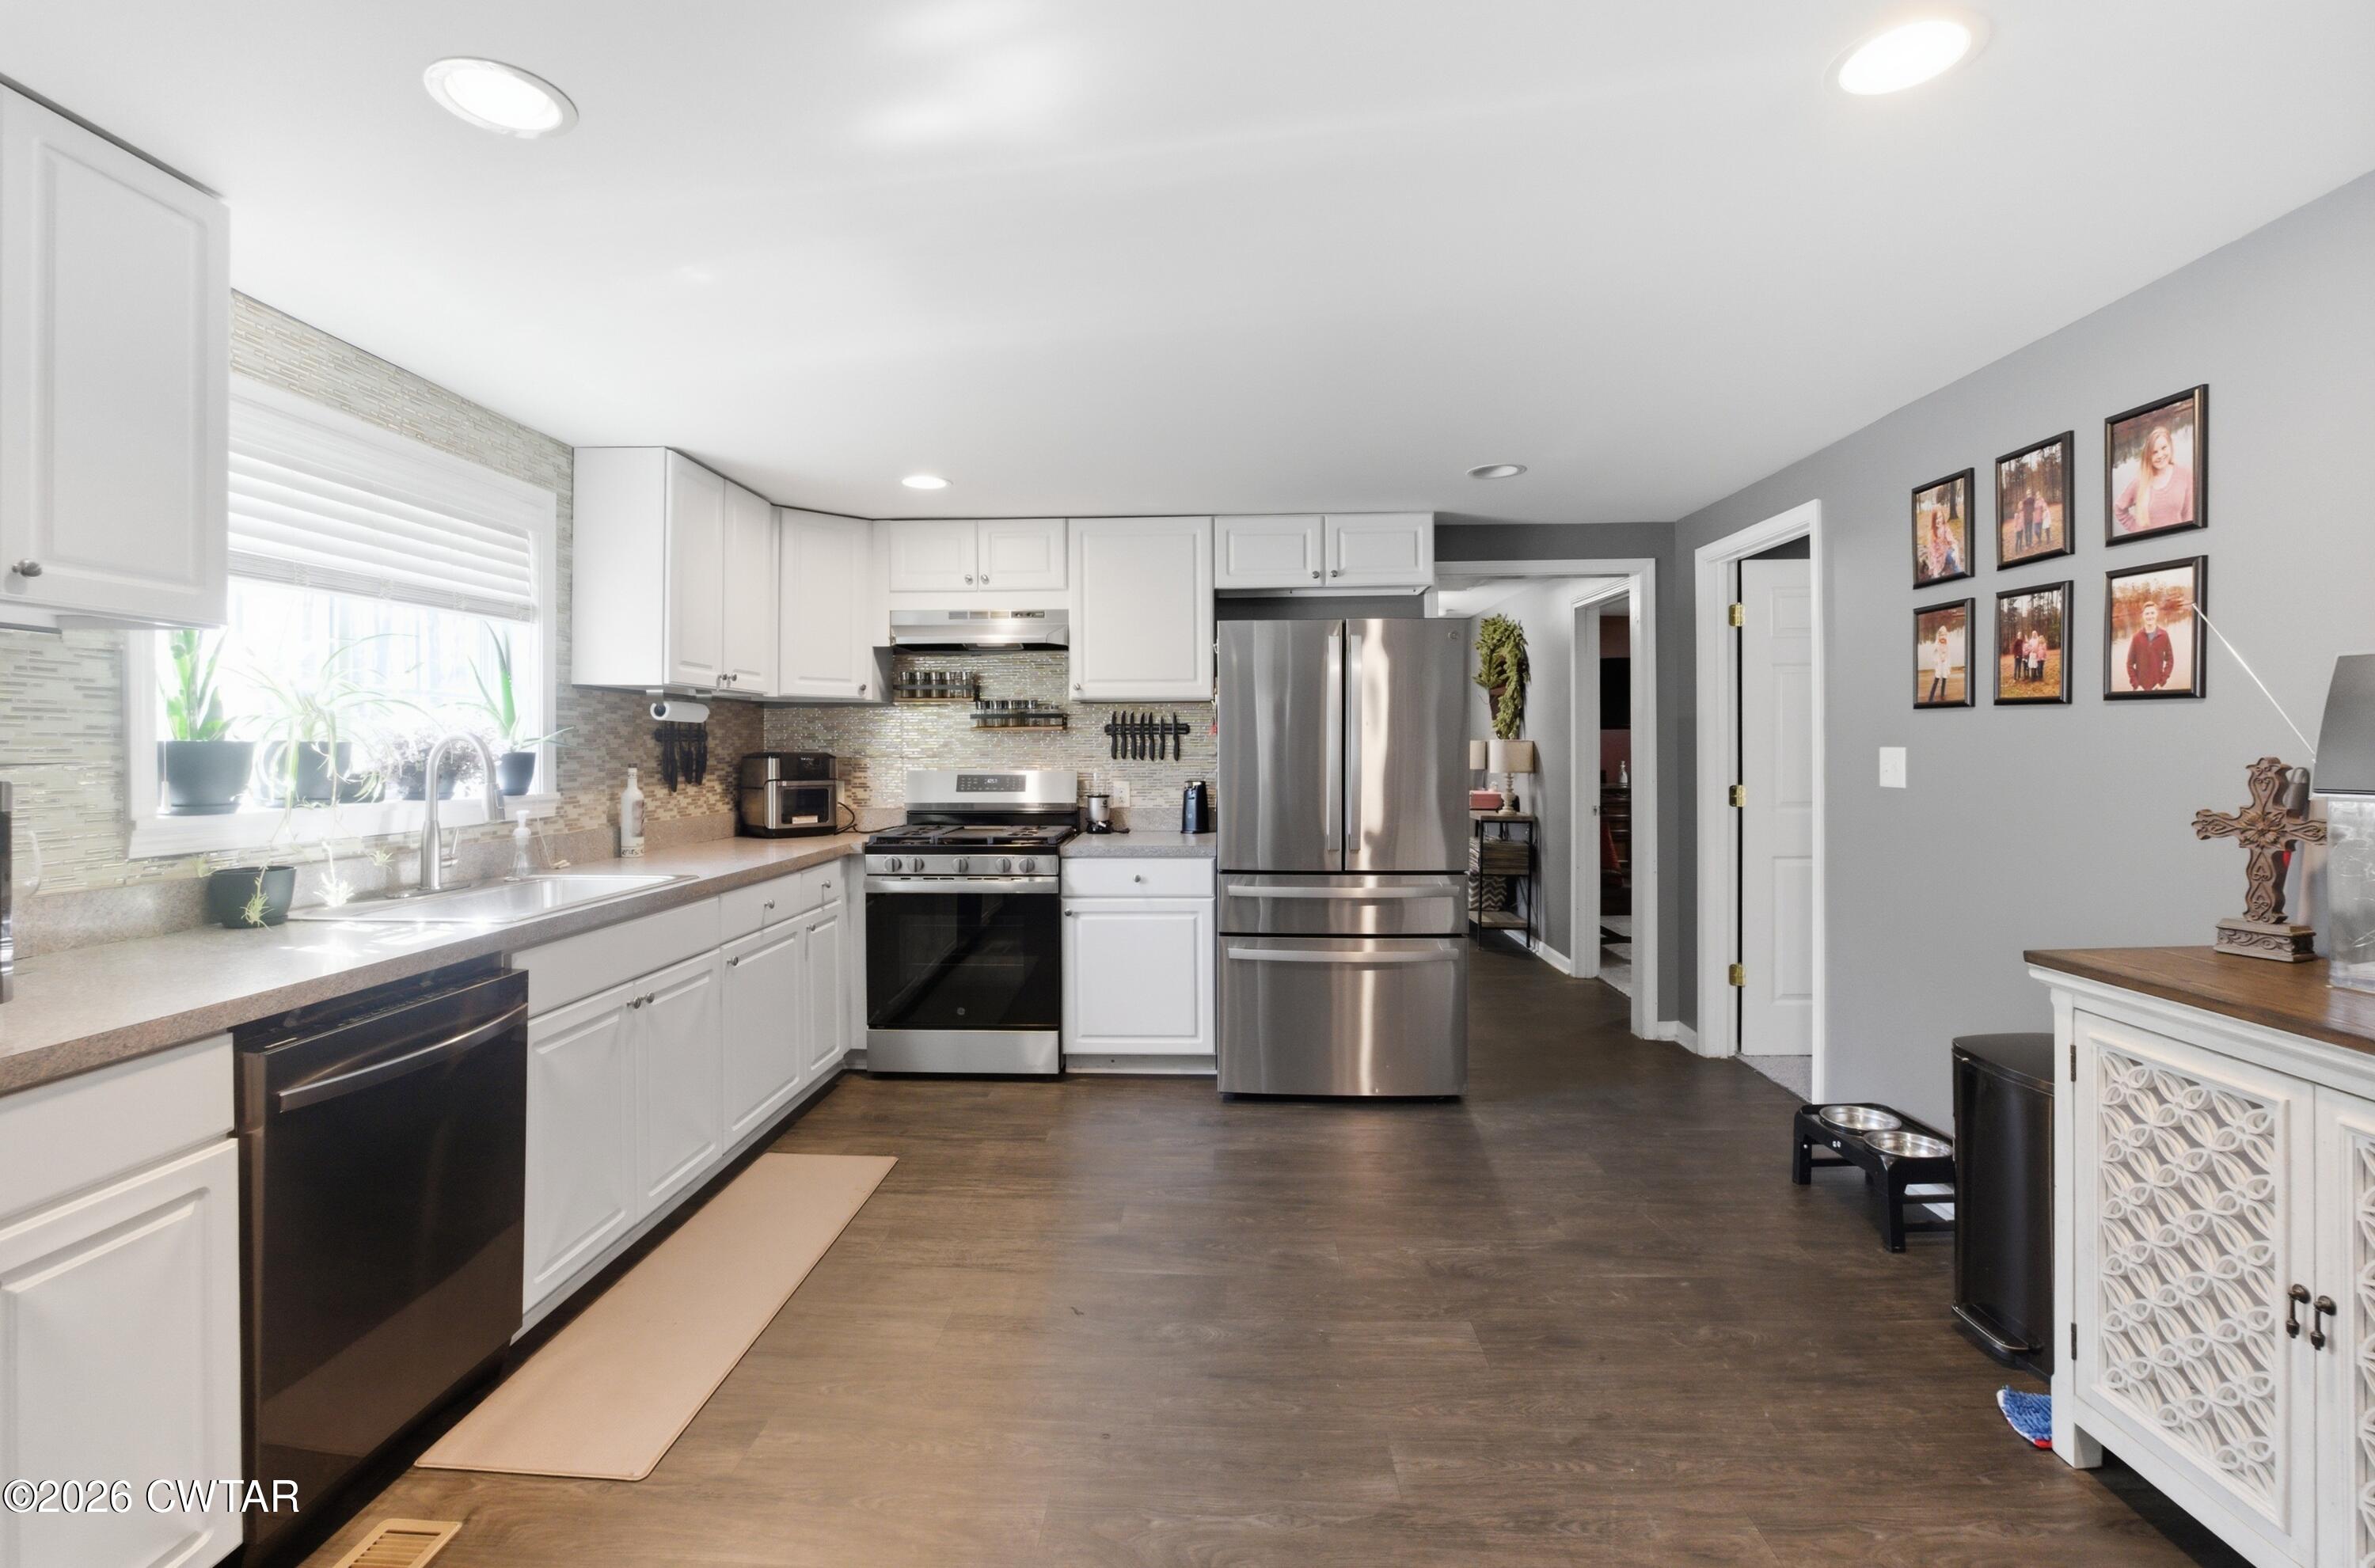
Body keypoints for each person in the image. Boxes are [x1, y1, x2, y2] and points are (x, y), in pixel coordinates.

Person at [2113, 424, 2194, 535]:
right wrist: (2137, 531)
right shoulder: (2139, 482)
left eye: (2164, 448)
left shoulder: (2185, 474)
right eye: (2154, 452)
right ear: (2148, 456)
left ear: (2170, 446)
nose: (2160, 455)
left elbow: (2189, 513)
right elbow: (2119, 509)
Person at [2126, 598, 2176, 691]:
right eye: (2147, 614)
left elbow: (2170, 660)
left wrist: (2162, 682)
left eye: (2152, 613)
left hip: (2157, 688)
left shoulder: (2164, 635)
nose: (2150, 616)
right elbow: (2129, 664)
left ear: (2157, 614)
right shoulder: (2136, 638)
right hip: (2140, 689)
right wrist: (2136, 685)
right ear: (2143, 616)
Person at [1927, 625, 1954, 703]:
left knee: (1945, 677)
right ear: (1939, 635)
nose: (1943, 636)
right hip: (1939, 663)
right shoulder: (1937, 643)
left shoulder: (1947, 642)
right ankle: (1931, 697)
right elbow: (1936, 649)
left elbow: (1948, 651)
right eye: (1941, 635)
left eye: (1945, 635)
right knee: (1937, 678)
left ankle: (1942, 695)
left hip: (1945, 662)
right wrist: (1940, 655)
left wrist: (1946, 659)